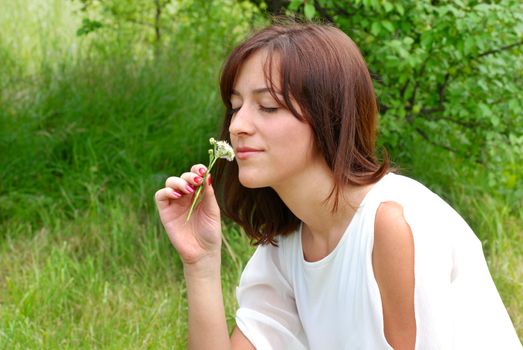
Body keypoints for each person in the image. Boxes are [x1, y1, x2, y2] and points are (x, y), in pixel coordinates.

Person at [155, 20, 521, 350]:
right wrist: (201, 262)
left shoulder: (393, 223)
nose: (238, 126)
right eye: (236, 106)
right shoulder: (288, 248)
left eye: (267, 106)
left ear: (328, 115)